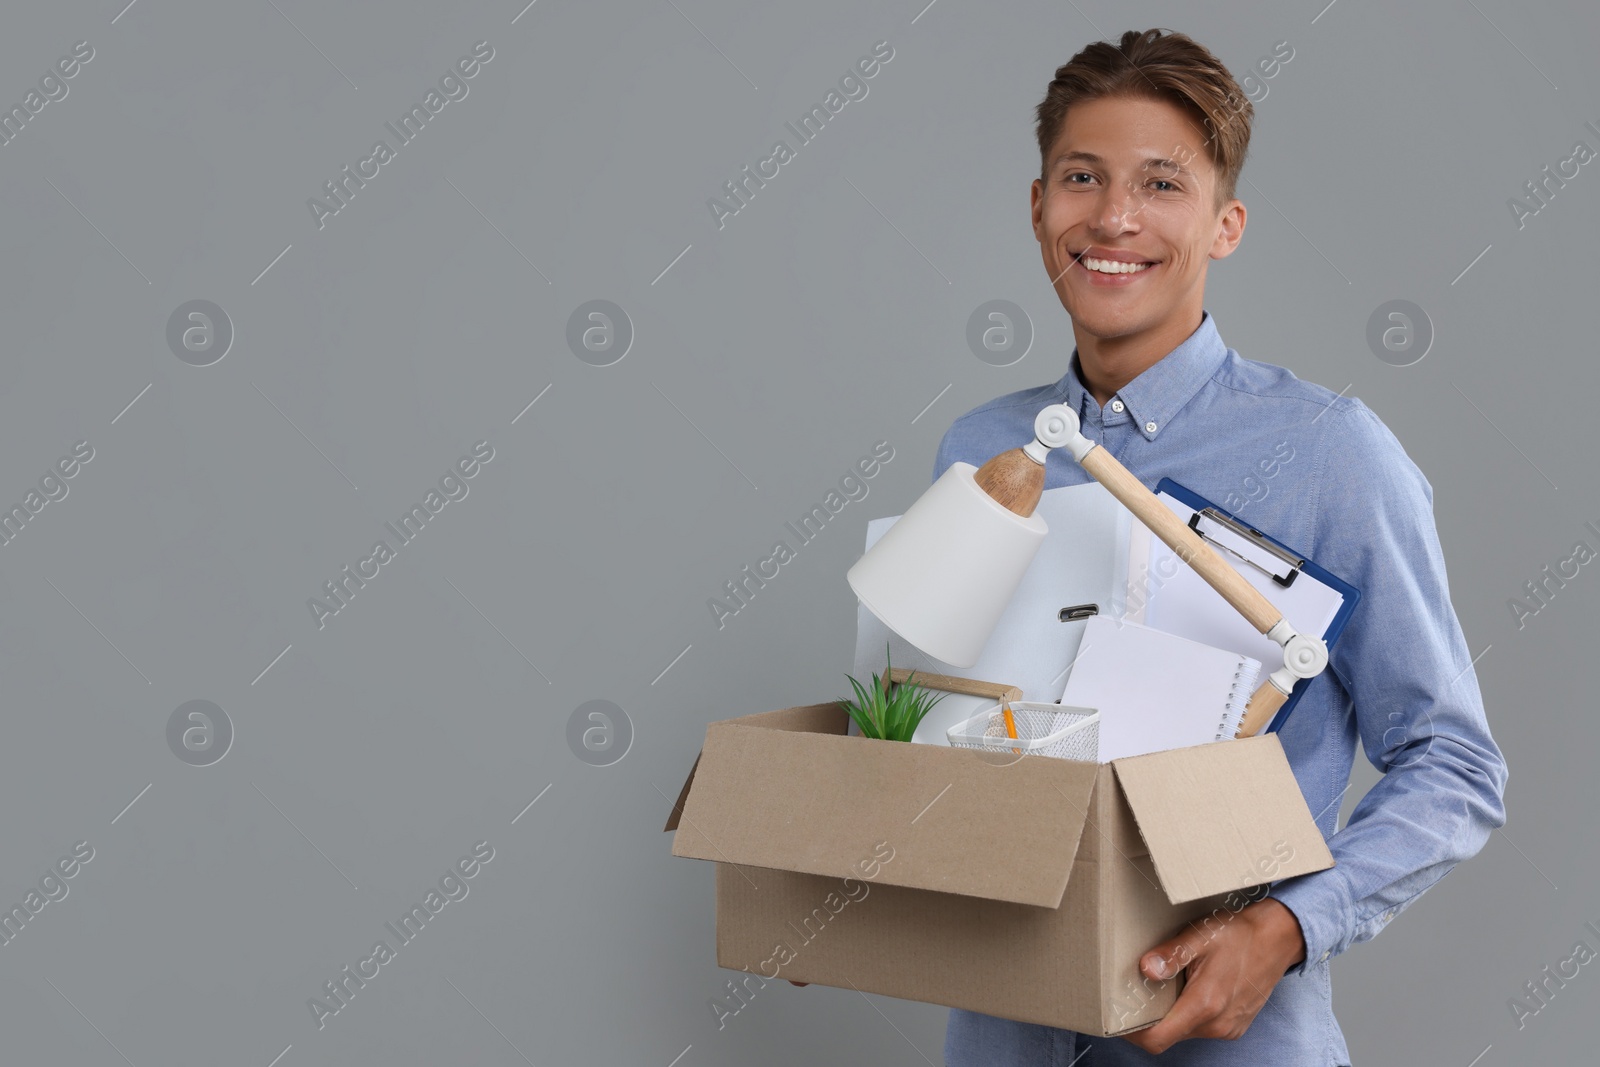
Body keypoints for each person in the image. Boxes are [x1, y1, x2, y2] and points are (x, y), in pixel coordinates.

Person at [935, 28, 1508, 1066]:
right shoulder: (979, 449)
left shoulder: (1330, 451)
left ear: (1224, 223)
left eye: (1160, 183)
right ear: (1036, 207)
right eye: (1081, 177)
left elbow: (1454, 762)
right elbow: (939, 719)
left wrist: (1284, 928)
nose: (1112, 216)